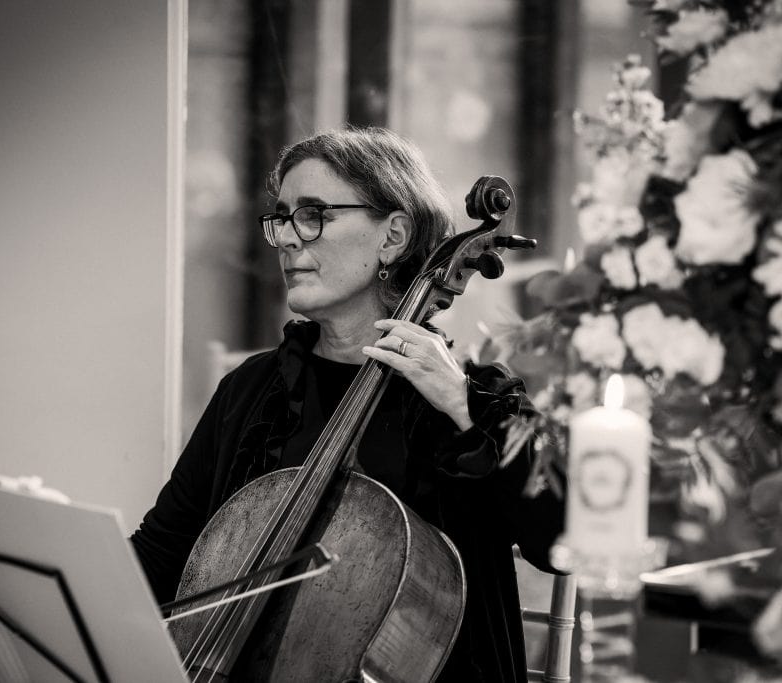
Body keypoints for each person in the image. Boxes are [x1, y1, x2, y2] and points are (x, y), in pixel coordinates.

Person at [131, 126, 565, 682]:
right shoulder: (252, 390)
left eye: (314, 215)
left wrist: (464, 407)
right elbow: (164, 551)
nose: (289, 239)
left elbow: (561, 541)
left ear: (394, 236)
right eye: (283, 218)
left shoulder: (473, 397)